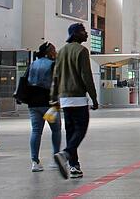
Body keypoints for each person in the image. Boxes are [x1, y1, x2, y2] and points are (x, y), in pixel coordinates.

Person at [52, 23, 98, 180]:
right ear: (76, 34)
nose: (86, 34)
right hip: (78, 97)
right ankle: (65, 154)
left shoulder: (61, 51)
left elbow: (56, 76)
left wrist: (53, 98)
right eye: (84, 31)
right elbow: (86, 76)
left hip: (64, 99)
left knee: (71, 132)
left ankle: (74, 166)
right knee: (81, 129)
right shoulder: (82, 51)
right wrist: (94, 97)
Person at [26, 42, 62, 172]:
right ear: (49, 52)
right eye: (54, 50)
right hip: (49, 103)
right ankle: (55, 159)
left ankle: (35, 161)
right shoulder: (52, 64)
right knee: (56, 130)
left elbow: (25, 81)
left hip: (33, 103)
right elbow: (57, 82)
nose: (55, 52)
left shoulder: (33, 64)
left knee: (36, 131)